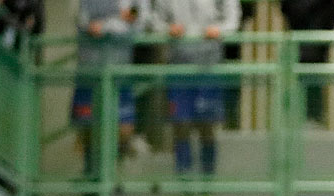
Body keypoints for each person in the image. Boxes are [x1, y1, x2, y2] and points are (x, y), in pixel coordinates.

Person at [154, 0, 239, 179]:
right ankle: (184, 179)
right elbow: (154, 19)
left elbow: (233, 19)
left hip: (209, 64)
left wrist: (219, 29)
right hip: (179, 63)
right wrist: (167, 29)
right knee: (181, 123)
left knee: (207, 124)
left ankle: (207, 179)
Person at [73, 0, 141, 180]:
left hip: (120, 72)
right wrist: (116, 20)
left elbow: (135, 22)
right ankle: (91, 175)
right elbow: (83, 22)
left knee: (123, 129)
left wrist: (106, 24)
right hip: (90, 72)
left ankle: (114, 175)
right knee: (88, 127)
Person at [280, 0, 334, 126]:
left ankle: (311, 116)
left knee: (311, 73)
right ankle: (308, 116)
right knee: (307, 72)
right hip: (304, 37)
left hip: (315, 39)